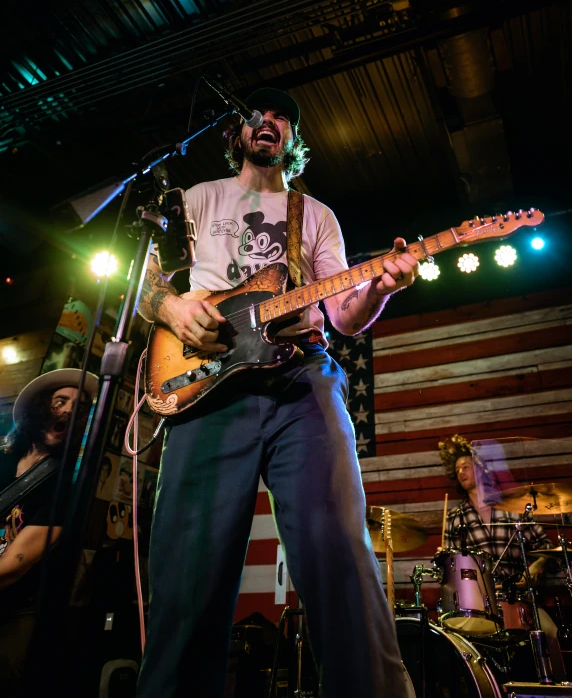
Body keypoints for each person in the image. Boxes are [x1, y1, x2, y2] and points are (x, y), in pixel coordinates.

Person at [137, 87, 419, 698]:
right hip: (207, 382)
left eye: (283, 118)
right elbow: (145, 284)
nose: (269, 122)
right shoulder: (193, 199)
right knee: (188, 573)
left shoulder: (313, 214)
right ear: (237, 131)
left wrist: (381, 288)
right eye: (257, 114)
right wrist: (172, 307)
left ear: (292, 141)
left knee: (340, 548)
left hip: (300, 378)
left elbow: (344, 314)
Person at [0, 368, 98, 697]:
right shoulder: (4, 460)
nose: (70, 409)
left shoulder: (68, 482)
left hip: (20, 609)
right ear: (40, 408)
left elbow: (12, 567)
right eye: (60, 401)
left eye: (80, 406)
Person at [439, 434, 551, 583]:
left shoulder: (512, 509)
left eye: (465, 467)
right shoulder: (454, 517)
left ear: (480, 469)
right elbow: (451, 569)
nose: (460, 473)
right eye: (457, 470)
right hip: (478, 600)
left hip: (518, 596)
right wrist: (445, 559)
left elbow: (546, 547)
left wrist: (537, 566)